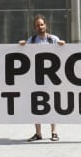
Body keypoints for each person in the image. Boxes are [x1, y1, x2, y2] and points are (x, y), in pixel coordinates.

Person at [19, 14, 65, 142]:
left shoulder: (54, 39)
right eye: (37, 25)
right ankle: (38, 133)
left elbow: (64, 52)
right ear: (35, 27)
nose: (40, 27)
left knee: (52, 104)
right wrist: (22, 45)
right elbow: (25, 53)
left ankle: (54, 132)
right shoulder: (32, 40)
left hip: (51, 78)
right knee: (36, 105)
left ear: (46, 25)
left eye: (41, 24)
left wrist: (63, 44)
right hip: (36, 78)